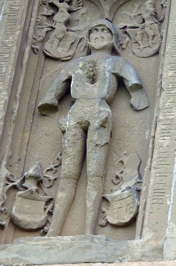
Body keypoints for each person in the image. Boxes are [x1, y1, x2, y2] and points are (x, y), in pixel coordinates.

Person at [38, 19, 149, 236]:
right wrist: (51, 102)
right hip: (75, 114)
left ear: (112, 38)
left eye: (104, 31)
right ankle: (54, 231)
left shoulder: (118, 63)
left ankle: (88, 232)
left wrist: (136, 94)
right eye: (94, 31)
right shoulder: (74, 65)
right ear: (88, 38)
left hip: (100, 113)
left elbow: (136, 90)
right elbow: (52, 95)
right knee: (67, 175)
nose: (99, 35)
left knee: (95, 175)